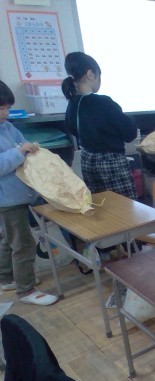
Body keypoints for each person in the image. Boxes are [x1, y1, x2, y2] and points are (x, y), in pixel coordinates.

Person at [0, 80, 58, 306]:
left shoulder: (7, 126)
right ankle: (26, 290)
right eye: (1, 108)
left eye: (7, 107)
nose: (5, 113)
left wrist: (29, 147)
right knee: (23, 244)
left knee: (8, 239)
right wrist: (19, 152)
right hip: (7, 200)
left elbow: (21, 143)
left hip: (17, 194)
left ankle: (6, 278)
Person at [62, 52, 138, 200]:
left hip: (87, 160)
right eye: (99, 76)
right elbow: (130, 133)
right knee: (125, 205)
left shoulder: (73, 103)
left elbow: (72, 129)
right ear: (90, 74)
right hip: (111, 162)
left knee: (101, 204)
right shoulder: (103, 102)